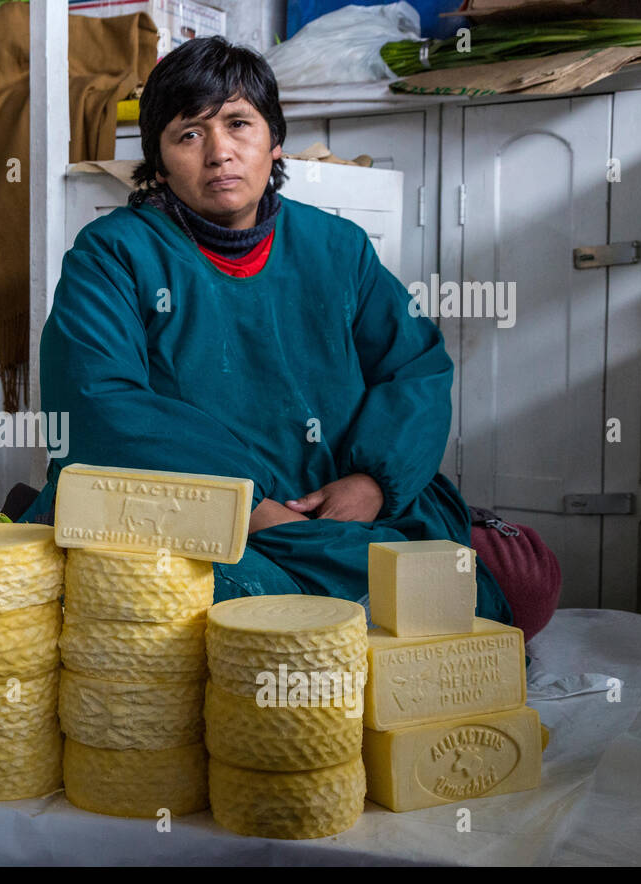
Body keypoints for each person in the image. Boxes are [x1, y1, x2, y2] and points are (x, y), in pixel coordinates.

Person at [25, 37, 513, 623]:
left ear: (274, 141)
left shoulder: (338, 248)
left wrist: (373, 484)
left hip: (340, 505)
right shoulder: (113, 254)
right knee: (235, 605)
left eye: (239, 124)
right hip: (198, 512)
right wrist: (245, 506)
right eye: (189, 134)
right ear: (157, 162)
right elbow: (95, 399)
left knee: (502, 590)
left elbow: (414, 369)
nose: (219, 153)